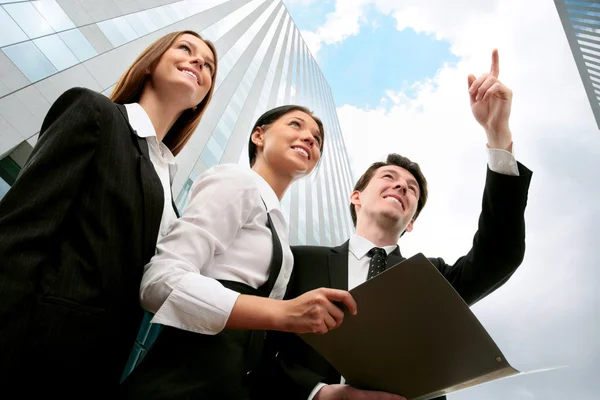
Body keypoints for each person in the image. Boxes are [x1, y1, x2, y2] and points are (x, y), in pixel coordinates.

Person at [258, 49, 533, 400]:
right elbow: (258, 344)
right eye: (389, 177)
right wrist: (320, 394)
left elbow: (500, 255)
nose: (401, 186)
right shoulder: (297, 260)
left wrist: (497, 134)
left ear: (412, 222)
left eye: (412, 189)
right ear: (356, 197)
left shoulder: (433, 281)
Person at [0, 30, 218, 395]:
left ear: (200, 101)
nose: (199, 61)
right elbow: (18, 237)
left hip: (100, 373)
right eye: (185, 49)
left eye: (209, 65)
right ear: (151, 63)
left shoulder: (171, 189)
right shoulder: (94, 113)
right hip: (33, 356)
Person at [119, 105, 358, 399]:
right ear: (259, 135)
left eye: (317, 138)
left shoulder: (280, 231)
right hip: (178, 384)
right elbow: (160, 282)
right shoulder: (235, 181)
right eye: (296, 125)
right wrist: (283, 312)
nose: (310, 138)